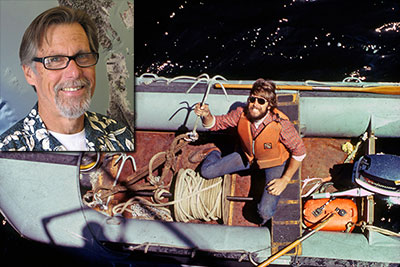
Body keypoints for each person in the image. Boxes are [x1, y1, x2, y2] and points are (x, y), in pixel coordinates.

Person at [0, 6, 134, 151]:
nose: (74, 72)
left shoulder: (122, 137)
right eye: (56, 59)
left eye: (82, 56)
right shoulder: (7, 153)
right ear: (29, 74)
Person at [194, 78, 306, 225]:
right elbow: (215, 124)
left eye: (261, 101)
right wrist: (206, 115)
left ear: (270, 105)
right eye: (252, 99)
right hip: (247, 157)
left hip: (274, 163)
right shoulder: (240, 114)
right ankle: (214, 152)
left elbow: (300, 151)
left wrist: (284, 180)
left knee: (265, 212)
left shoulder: (281, 124)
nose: (255, 104)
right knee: (207, 172)